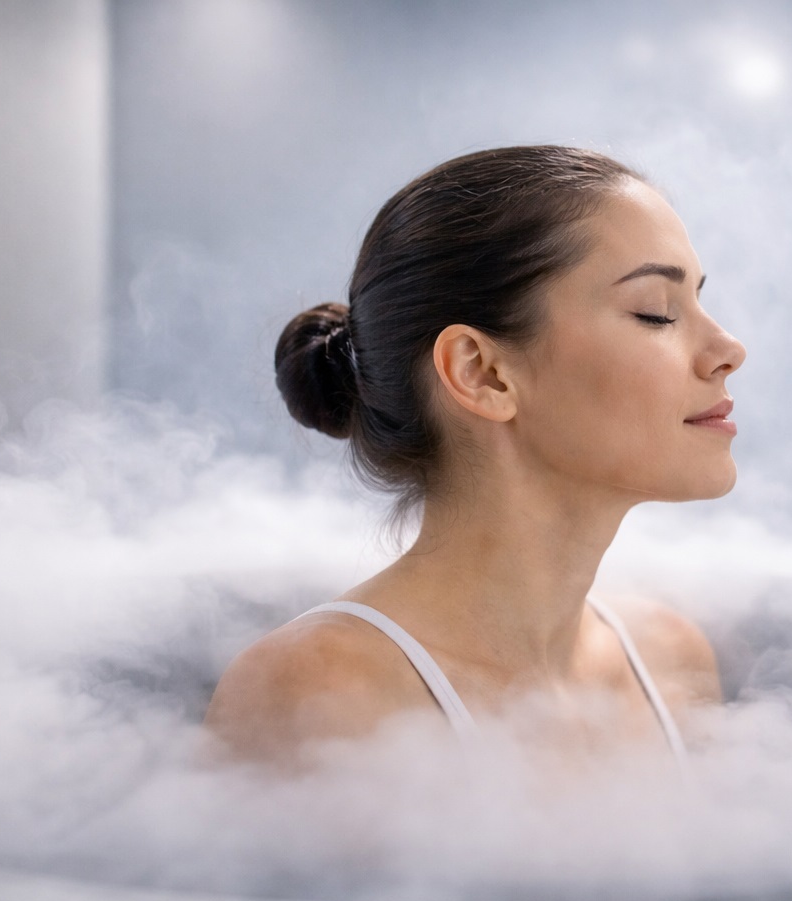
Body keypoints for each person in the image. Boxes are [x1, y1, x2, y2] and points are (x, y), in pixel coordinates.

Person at [205, 145, 746, 765]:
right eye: (656, 312)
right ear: (482, 373)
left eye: (700, 302)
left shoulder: (670, 659)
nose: (729, 348)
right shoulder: (318, 694)